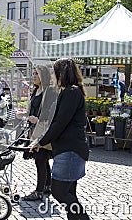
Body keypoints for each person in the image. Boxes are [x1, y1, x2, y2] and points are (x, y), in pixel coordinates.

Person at [38, 58, 90, 220]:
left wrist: (40, 142)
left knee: (59, 192)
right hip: (70, 150)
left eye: (55, 73)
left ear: (62, 73)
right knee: (69, 193)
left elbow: (59, 123)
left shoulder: (70, 93)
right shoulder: (70, 92)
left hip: (70, 151)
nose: (53, 77)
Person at [23, 65, 56, 201]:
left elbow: (51, 112)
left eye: (37, 74)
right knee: (43, 159)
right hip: (34, 131)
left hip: (43, 131)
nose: (34, 76)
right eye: (34, 73)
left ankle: (39, 191)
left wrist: (38, 120)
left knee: (40, 160)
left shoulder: (49, 91)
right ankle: (48, 185)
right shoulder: (36, 90)